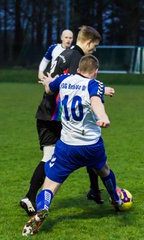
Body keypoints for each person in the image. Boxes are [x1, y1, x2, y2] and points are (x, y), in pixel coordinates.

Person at [22, 55, 123, 237]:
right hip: (91, 146)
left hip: (67, 146)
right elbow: (95, 101)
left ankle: (43, 208)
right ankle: (116, 199)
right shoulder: (95, 85)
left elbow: (50, 88)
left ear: (77, 69)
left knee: (49, 185)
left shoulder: (64, 79)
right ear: (96, 72)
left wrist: (48, 82)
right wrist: (103, 116)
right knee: (105, 171)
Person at [20, 26, 114, 216]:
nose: (93, 51)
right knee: (63, 152)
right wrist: (101, 90)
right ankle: (30, 196)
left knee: (84, 147)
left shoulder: (66, 53)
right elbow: (76, 85)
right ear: (88, 43)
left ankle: (94, 191)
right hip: (55, 115)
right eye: (94, 47)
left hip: (46, 111)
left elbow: (56, 82)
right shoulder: (77, 58)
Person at [19, 29, 74, 216]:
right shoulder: (60, 58)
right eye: (66, 37)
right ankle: (32, 197)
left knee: (54, 157)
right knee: (52, 157)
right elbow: (48, 73)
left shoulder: (68, 60)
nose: (68, 40)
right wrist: (43, 77)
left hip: (49, 116)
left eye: (70, 38)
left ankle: (33, 197)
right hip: (51, 117)